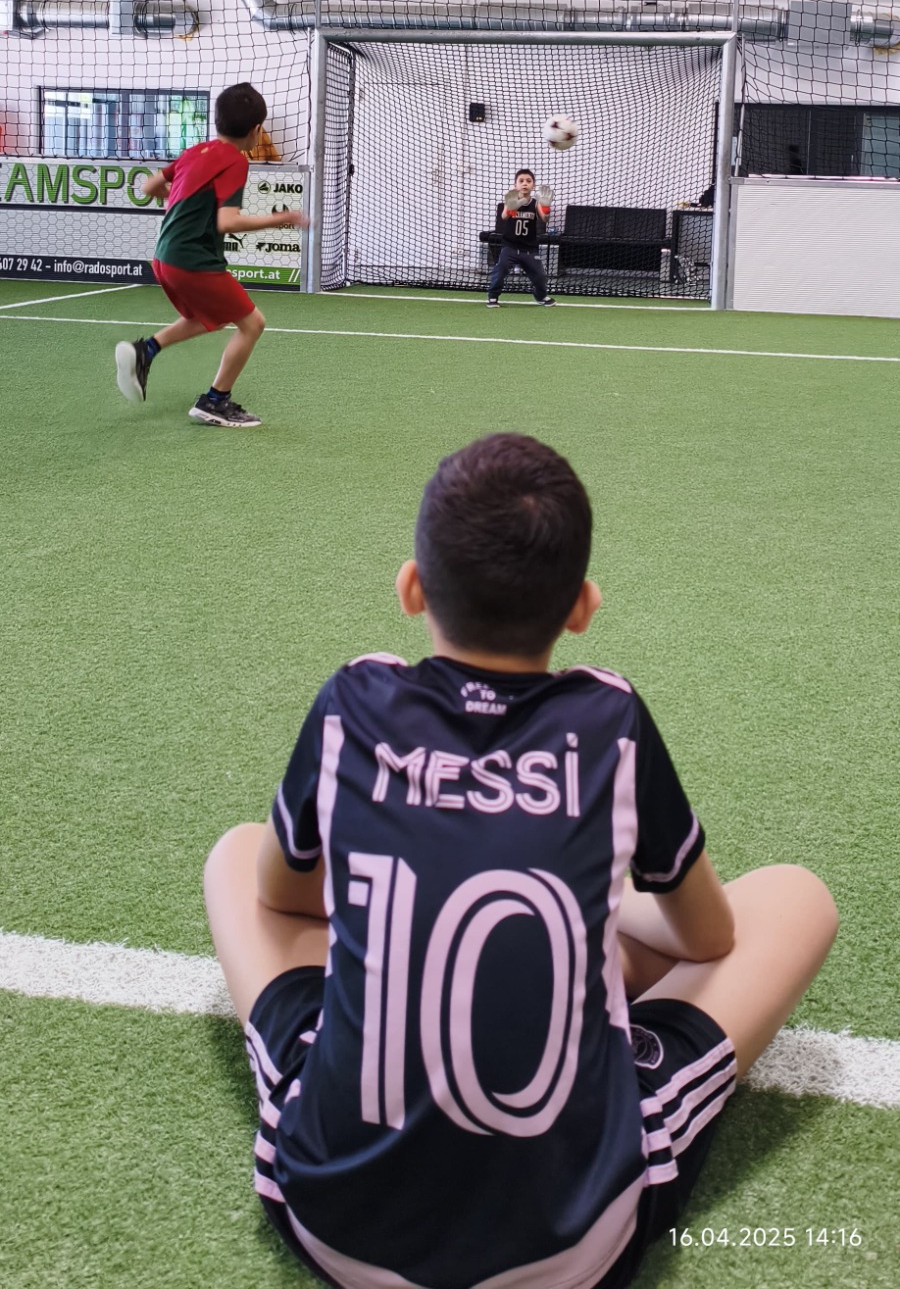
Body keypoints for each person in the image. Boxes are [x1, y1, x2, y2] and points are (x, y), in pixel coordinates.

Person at [205, 433, 838, 1289]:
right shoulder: (609, 718)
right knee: (797, 898)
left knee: (236, 854)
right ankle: (583, 949)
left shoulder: (352, 698)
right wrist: (597, 910)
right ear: (582, 606)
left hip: (331, 1220)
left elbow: (281, 894)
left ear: (411, 587)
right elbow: (710, 939)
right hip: (568, 1250)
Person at [114, 82, 308, 429]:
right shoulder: (234, 161)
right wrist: (280, 218)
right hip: (192, 259)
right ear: (256, 130)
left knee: (212, 318)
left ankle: (146, 351)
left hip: (164, 258)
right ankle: (216, 401)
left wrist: (184, 198)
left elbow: (148, 187)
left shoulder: (196, 151)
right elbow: (227, 221)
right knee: (253, 324)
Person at [487, 166, 554, 306]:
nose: (525, 183)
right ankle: (493, 296)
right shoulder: (511, 199)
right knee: (501, 270)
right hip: (510, 247)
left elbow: (545, 219)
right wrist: (512, 208)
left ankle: (540, 296)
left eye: (528, 181)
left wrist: (546, 208)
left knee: (540, 277)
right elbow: (504, 216)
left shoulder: (535, 203)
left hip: (529, 249)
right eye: (521, 181)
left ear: (533, 185)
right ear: (515, 185)